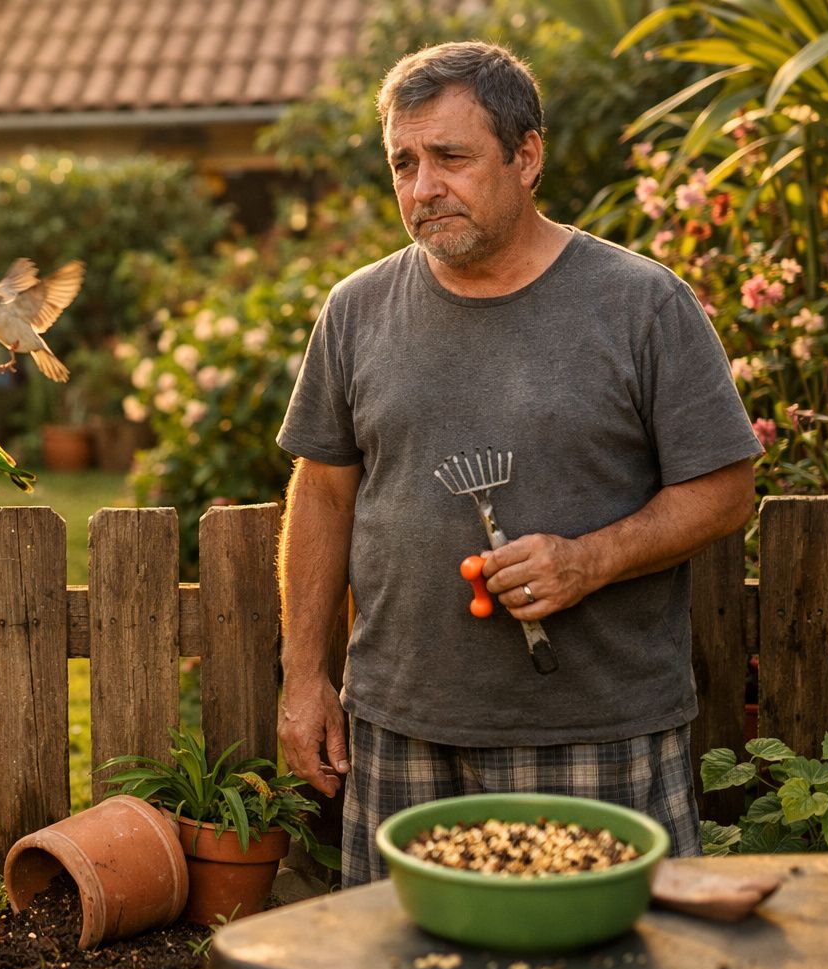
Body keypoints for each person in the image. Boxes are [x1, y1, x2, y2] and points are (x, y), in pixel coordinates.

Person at [275, 41, 762, 886]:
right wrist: (305, 677)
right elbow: (322, 493)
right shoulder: (357, 309)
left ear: (525, 155)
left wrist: (590, 560)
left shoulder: (641, 304)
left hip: (595, 730)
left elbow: (726, 493)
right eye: (404, 162)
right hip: (400, 727)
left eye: (451, 158)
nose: (423, 188)